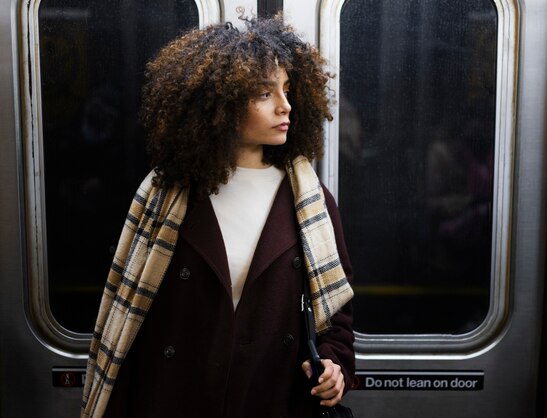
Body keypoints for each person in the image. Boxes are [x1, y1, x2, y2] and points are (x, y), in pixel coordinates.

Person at [81, 15, 355, 418]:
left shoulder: (310, 202)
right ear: (219, 103)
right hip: (172, 398)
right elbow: (126, 321)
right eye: (264, 93)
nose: (285, 105)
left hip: (271, 397)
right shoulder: (163, 197)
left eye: (288, 89)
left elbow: (337, 320)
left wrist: (334, 366)